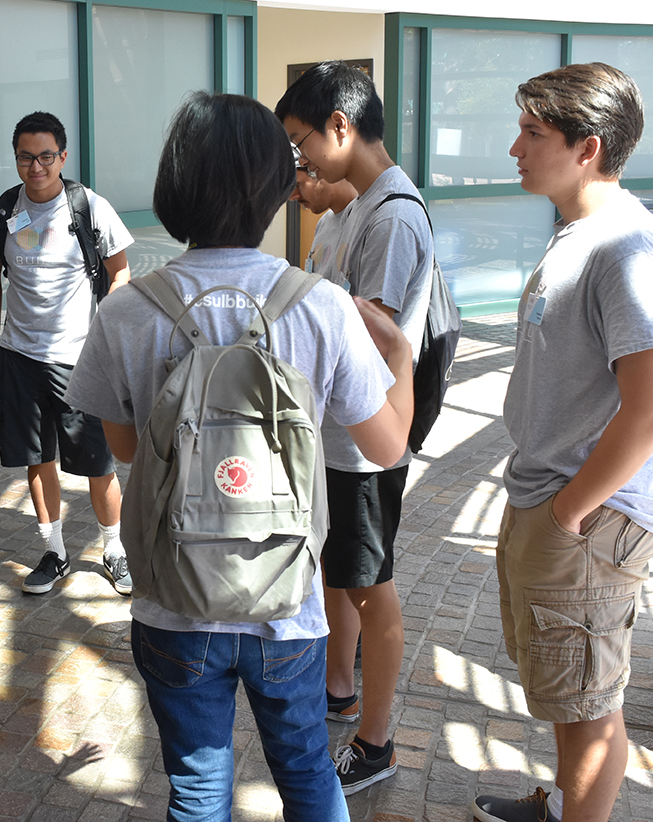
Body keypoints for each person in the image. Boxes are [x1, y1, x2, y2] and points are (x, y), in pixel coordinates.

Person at [64, 91, 414, 822]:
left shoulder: (126, 311)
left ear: (174, 186)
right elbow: (385, 448)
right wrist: (402, 359)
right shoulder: (318, 306)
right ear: (275, 187)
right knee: (307, 775)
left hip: (171, 602)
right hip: (286, 604)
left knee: (196, 788)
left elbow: (124, 448)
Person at [472, 63, 653, 822]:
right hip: (554, 498)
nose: (514, 148)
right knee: (566, 688)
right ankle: (561, 805)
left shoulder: (623, 247)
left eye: (532, 133)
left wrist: (566, 513)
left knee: (590, 704)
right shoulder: (578, 232)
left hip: (588, 518)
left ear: (586, 147)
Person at [276, 61, 433, 794]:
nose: (300, 159)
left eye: (303, 140)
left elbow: (371, 338)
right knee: (341, 572)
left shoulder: (393, 214)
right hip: (337, 437)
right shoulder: (357, 208)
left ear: (341, 126)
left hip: (367, 444)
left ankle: (376, 741)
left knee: (373, 587)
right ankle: (338, 689)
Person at [0, 111, 134, 596]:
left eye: (46, 156)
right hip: (19, 355)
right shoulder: (3, 211)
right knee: (36, 457)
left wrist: (106, 338)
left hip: (79, 358)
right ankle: (55, 550)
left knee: (98, 462)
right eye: (26, 157)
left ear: (62, 157)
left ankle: (114, 548)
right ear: (16, 159)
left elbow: (121, 272)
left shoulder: (89, 207)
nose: (36, 166)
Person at [290, 166, 356, 283]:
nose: (293, 197)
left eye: (297, 185)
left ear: (320, 172)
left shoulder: (368, 222)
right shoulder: (323, 223)